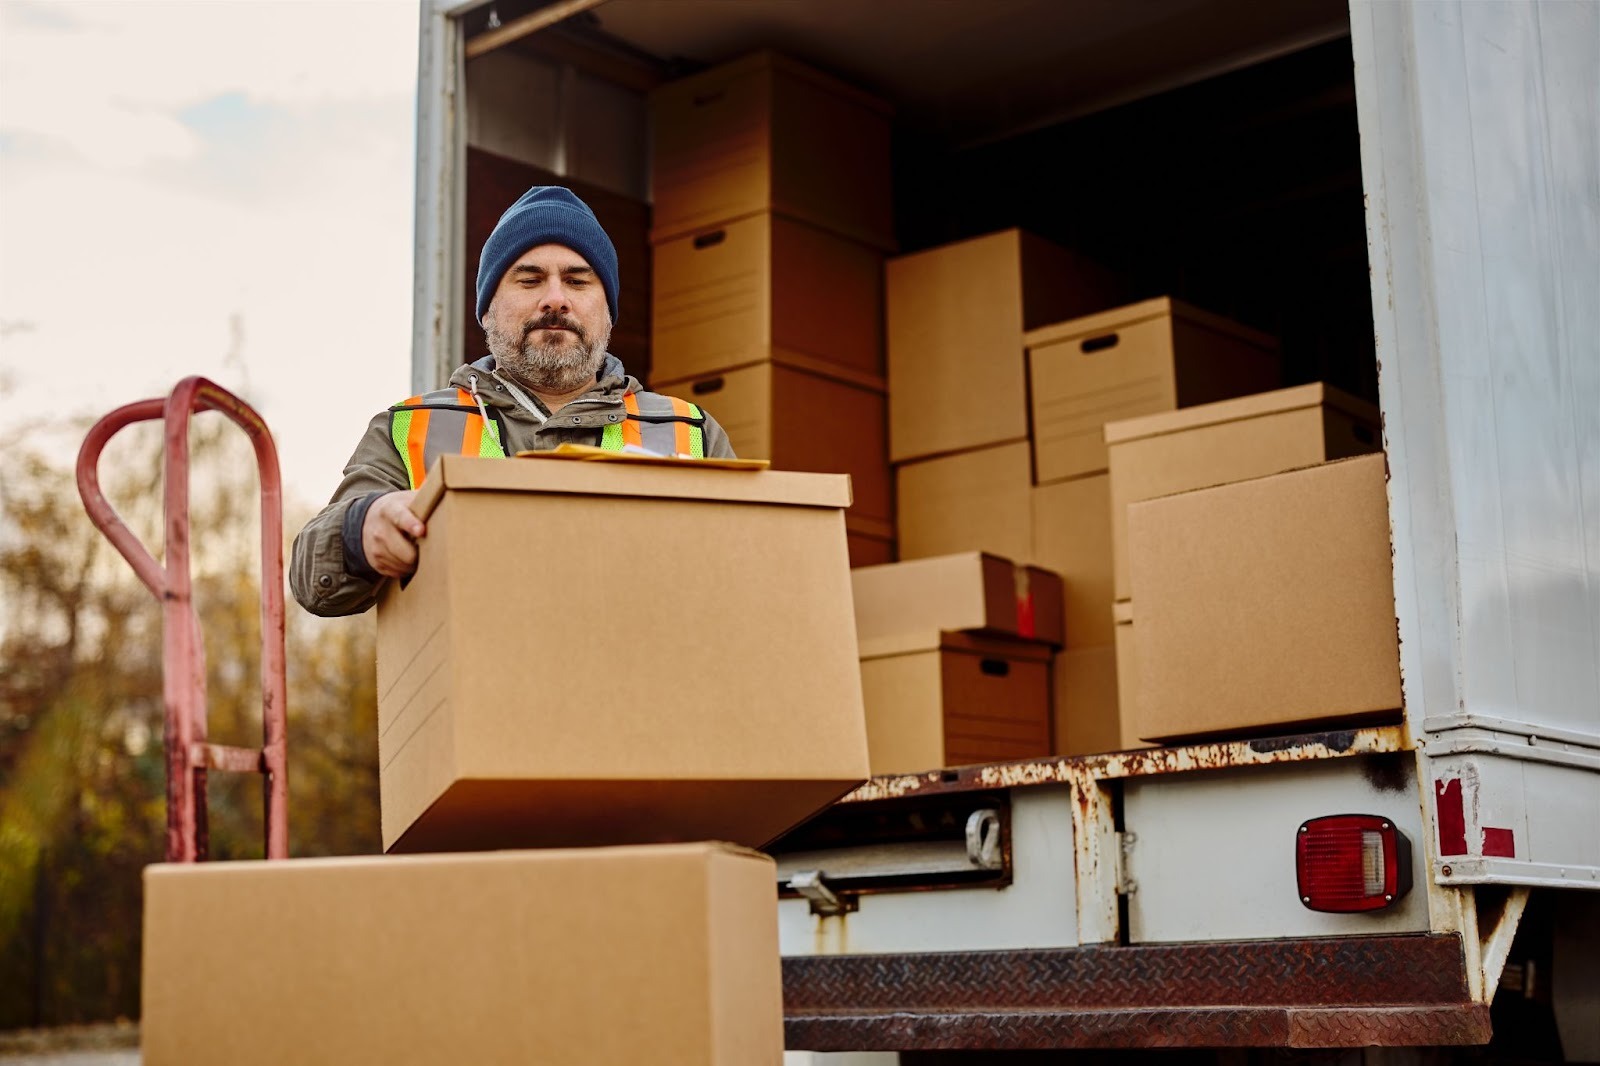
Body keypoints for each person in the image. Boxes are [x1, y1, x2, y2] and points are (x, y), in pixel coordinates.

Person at [290, 185, 736, 617]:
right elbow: (311, 579)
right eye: (530, 280)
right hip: (472, 693)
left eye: (578, 281)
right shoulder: (409, 428)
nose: (555, 300)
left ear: (608, 311)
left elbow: (744, 572)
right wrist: (359, 528)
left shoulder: (689, 433)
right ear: (487, 310)